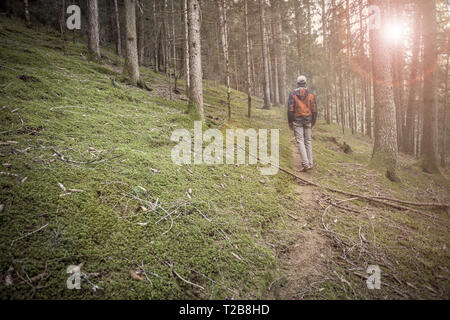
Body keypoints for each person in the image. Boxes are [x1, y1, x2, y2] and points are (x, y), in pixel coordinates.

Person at [287, 75, 318, 172]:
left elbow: (290, 110)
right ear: (305, 83)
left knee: (300, 141)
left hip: (297, 120)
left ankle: (305, 164)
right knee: (308, 141)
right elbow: (314, 110)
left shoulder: (293, 94)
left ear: (297, 83)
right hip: (308, 120)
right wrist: (313, 121)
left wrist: (290, 122)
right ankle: (310, 163)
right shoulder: (311, 94)